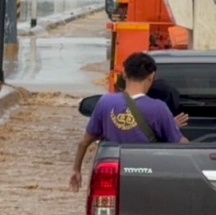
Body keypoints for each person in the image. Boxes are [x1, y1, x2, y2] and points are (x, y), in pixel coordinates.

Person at [70, 52, 184, 192]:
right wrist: (171, 127)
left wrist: (76, 170)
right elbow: (182, 146)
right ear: (151, 77)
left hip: (115, 177)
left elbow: (84, 142)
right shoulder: (159, 108)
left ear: (124, 75)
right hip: (148, 178)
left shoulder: (106, 102)